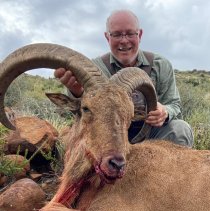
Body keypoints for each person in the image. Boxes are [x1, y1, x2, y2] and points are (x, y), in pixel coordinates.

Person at [54, 9, 194, 147]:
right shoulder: (93, 69)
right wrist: (77, 92)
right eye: (116, 34)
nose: (124, 41)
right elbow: (76, 115)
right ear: (107, 37)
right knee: (71, 137)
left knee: (180, 130)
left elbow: (175, 105)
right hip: (108, 135)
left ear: (140, 34)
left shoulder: (160, 65)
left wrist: (165, 112)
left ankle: (165, 169)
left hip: (150, 135)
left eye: (130, 33)